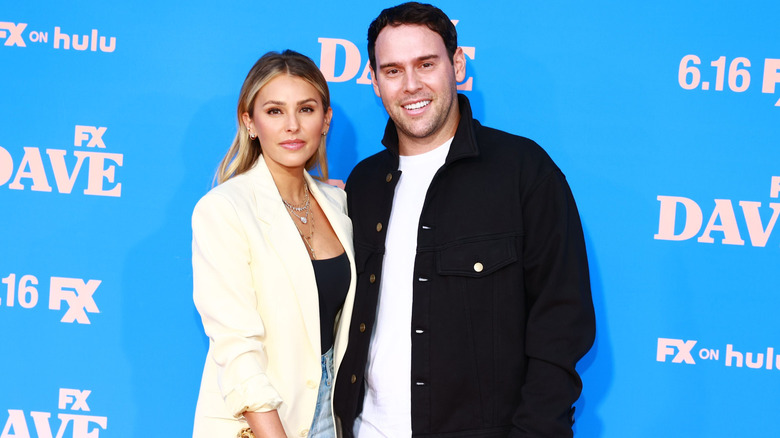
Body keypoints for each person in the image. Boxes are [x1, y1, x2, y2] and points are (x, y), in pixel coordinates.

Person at [333, 3, 596, 437]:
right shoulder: (363, 184)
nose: (411, 85)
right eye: (393, 70)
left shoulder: (523, 171)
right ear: (375, 81)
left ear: (456, 64)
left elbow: (562, 324)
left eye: (426, 64)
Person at [191, 50, 356, 438]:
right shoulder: (224, 209)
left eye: (307, 109)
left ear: (326, 119)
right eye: (275, 111)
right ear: (250, 122)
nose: (293, 126)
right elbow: (236, 346)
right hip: (260, 420)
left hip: (333, 414)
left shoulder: (339, 205)